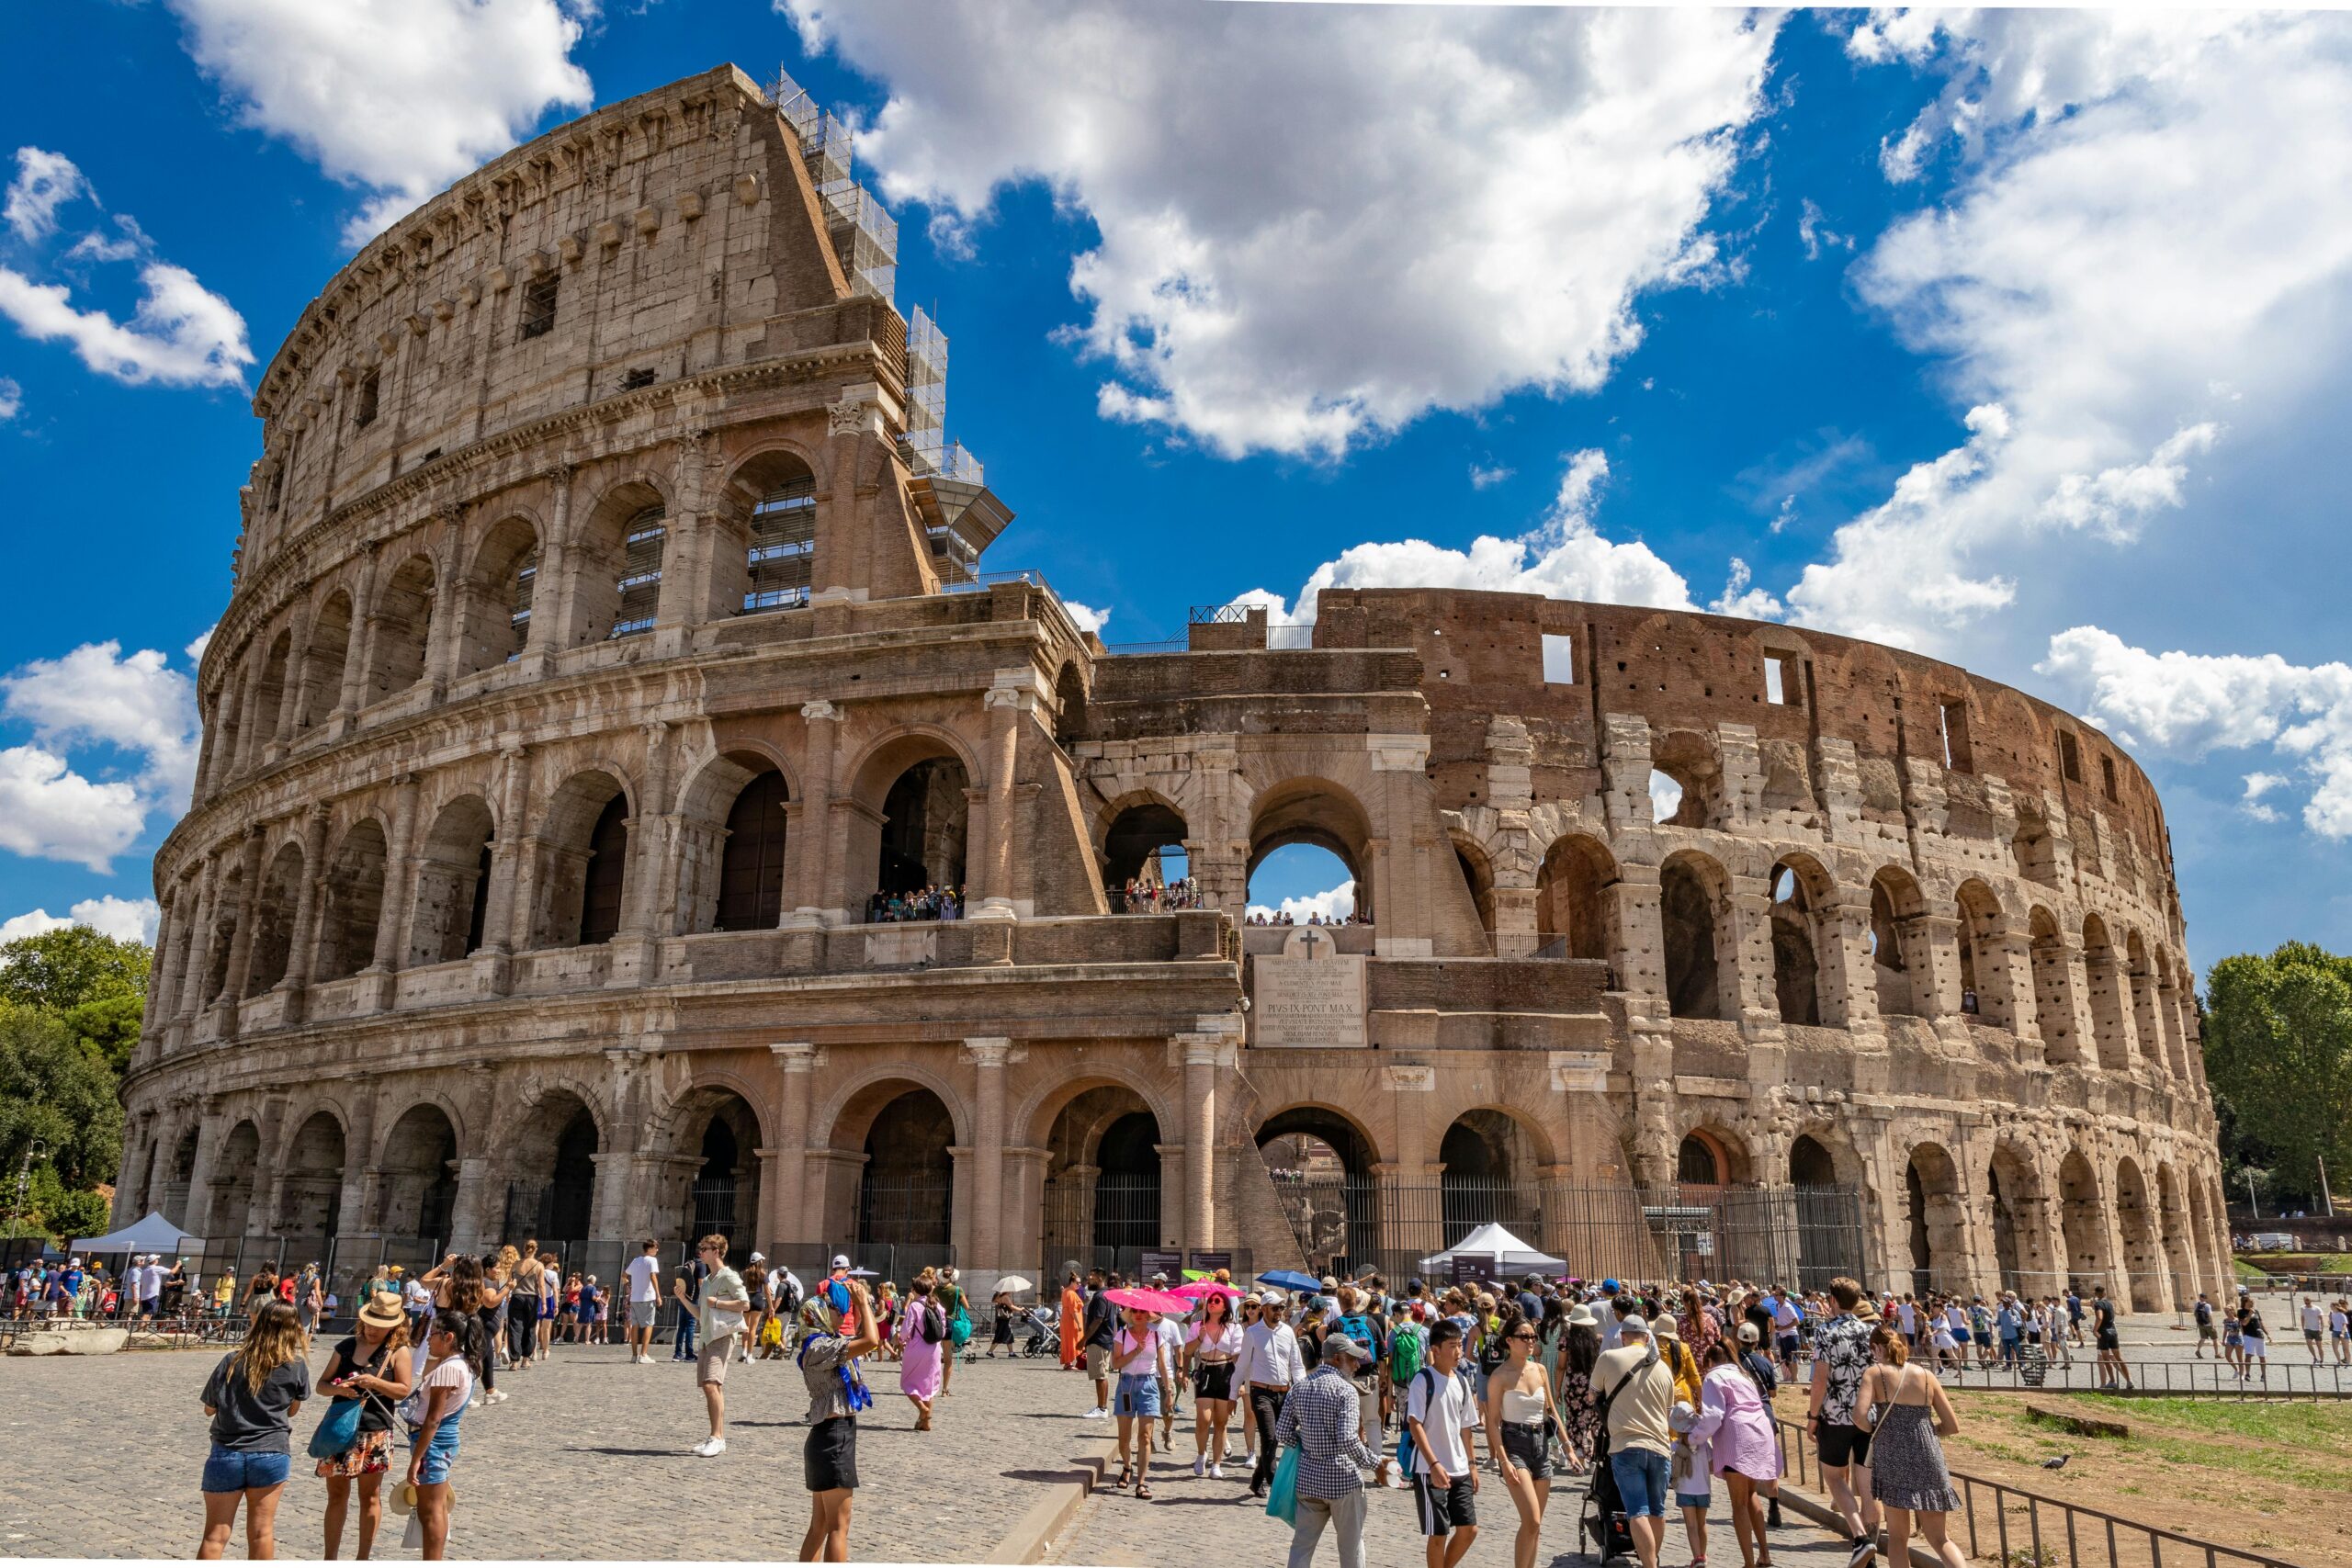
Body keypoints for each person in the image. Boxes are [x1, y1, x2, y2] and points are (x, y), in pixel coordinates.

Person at [198, 1300, 311, 1561]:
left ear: (259, 1323)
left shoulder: (232, 1360)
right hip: (272, 1453)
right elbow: (292, 1410)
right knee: (262, 1532)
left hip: (227, 1452)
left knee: (215, 1535)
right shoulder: (296, 1366)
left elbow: (209, 1409)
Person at [1272, 1333, 1392, 1568]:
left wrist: (1308, 1443)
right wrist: (1375, 1462)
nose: (1358, 1365)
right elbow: (1348, 1439)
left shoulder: (1300, 1387)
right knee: (1351, 1546)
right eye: (1353, 1359)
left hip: (1308, 1480)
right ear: (1337, 1359)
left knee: (1301, 1547)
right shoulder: (1345, 1391)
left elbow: (1283, 1433)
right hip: (1342, 1481)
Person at [1853, 1325, 1967, 1568]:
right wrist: (1926, 1432)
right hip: (1928, 1454)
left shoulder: (1875, 1373)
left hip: (1892, 1456)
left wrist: (1879, 1432)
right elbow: (1951, 1425)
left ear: (1875, 1347)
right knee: (1940, 1538)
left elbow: (1859, 1416)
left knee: (1898, 1537)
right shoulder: (1927, 1375)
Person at [313, 1291, 415, 1560]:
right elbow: (321, 1386)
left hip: (376, 1431)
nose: (372, 1330)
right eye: (370, 1323)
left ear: (393, 1326)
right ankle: (330, 1558)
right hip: (340, 1428)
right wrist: (341, 1389)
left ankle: (363, 1558)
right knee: (336, 1496)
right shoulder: (345, 1347)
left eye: (380, 1326)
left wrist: (375, 1383)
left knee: (369, 1496)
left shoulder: (398, 1351)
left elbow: (403, 1390)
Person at [798, 1277, 882, 1563]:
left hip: (826, 1438)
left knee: (820, 1526)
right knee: (838, 1528)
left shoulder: (821, 1345)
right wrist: (861, 1303)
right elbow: (872, 1340)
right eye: (836, 1311)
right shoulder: (820, 1348)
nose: (841, 1316)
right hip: (835, 1438)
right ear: (821, 1313)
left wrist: (865, 1306)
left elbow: (862, 1334)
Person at [1807, 1277, 1883, 1568]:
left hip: (1835, 1417)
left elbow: (1820, 1380)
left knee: (1836, 1479)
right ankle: (1871, 1554)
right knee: (1868, 1489)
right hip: (1867, 1417)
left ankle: (1861, 1540)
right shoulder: (1870, 1332)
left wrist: (1813, 1417)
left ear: (1834, 1301)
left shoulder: (1825, 1332)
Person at [1593, 1307, 1675, 1568]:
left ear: (1623, 1336)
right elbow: (1669, 1412)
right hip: (1660, 1446)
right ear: (1648, 1338)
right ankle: (1652, 1560)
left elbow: (1592, 1394)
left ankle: (1650, 1565)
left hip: (1626, 1444)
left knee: (1637, 1511)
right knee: (1657, 1511)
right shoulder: (1663, 1369)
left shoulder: (1608, 1357)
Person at [1691, 1338, 1783, 1568]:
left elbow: (1713, 1415)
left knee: (1739, 1503)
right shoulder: (1743, 1375)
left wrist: (1695, 1438)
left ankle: (1749, 1563)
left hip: (1737, 1434)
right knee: (1751, 1494)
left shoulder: (1714, 1376)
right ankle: (1764, 1554)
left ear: (1710, 1360)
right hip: (1759, 1430)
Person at [1405, 1320, 1483, 1568]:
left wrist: (1472, 1465)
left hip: (1459, 1467)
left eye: (1460, 1345)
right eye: (1453, 1346)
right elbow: (1415, 1425)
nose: (1459, 1352)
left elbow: (1466, 1427)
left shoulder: (1461, 1381)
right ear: (1436, 1350)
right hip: (1429, 1470)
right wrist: (1434, 1464)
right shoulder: (1423, 1380)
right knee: (1439, 1534)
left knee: (1469, 1529)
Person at [402, 1312, 479, 1561]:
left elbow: (433, 1420)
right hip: (443, 1441)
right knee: (436, 1507)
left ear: (448, 1337)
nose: (428, 1340)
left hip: (433, 1443)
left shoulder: (449, 1369)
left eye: (432, 1334)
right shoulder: (462, 1363)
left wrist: (416, 1459)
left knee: (431, 1510)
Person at [1483, 1308, 1555, 1568]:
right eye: (1524, 1337)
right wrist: (1503, 1460)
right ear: (1509, 1341)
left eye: (1533, 1336)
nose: (1530, 1341)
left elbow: (1552, 1411)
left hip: (1541, 1445)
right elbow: (1492, 1422)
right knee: (1532, 1519)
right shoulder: (1499, 1376)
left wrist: (1567, 1446)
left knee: (1535, 1526)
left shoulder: (1540, 1370)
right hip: (1515, 1443)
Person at [1237, 1289, 1307, 1499]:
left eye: (1281, 1308)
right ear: (1264, 1309)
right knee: (1269, 1436)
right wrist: (1233, 1394)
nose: (1279, 1311)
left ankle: (1256, 1481)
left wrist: (1301, 1390)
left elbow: (1296, 1365)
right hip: (1260, 1392)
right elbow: (1241, 1366)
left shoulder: (1287, 1332)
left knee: (1275, 1441)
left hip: (1284, 1393)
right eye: (1275, 1308)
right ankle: (1277, 1485)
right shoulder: (1252, 1333)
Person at [686, 1234, 748, 1456]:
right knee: (711, 1386)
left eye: (705, 1248)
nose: (701, 1251)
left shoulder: (729, 1277)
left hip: (722, 1335)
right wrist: (683, 1298)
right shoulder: (708, 1281)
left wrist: (719, 1302)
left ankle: (717, 1437)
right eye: (700, 1248)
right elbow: (701, 1313)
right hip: (706, 1336)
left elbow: (745, 1304)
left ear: (717, 1251)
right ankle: (717, 1436)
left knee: (712, 1384)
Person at [1109, 1304, 1168, 1496]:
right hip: (1126, 1385)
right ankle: (1127, 1467)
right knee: (1124, 1438)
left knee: (1145, 1436)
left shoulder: (1156, 1336)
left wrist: (1169, 1390)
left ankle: (1141, 1483)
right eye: (1135, 1311)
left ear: (1148, 1314)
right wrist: (1136, 1351)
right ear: (1130, 1315)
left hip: (1149, 1385)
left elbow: (1162, 1365)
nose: (1139, 1314)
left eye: (1143, 1311)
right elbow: (1115, 1363)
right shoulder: (1122, 1335)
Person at [1187, 1287, 1242, 1475]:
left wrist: (1240, 1382)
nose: (1212, 1303)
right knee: (1203, 1419)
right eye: (1210, 1300)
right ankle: (1202, 1454)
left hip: (1226, 1371)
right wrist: (1199, 1338)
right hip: (1205, 1372)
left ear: (1225, 1306)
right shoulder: (1197, 1326)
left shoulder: (1234, 1327)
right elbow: (1187, 1351)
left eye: (1216, 1301)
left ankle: (1216, 1465)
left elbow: (1237, 1356)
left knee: (1221, 1422)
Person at [896, 1272, 946, 1433]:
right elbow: (943, 1331)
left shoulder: (915, 1306)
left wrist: (900, 1339)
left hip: (916, 1348)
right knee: (929, 1386)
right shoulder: (938, 1306)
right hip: (934, 1349)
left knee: (908, 1383)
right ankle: (926, 1423)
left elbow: (906, 1330)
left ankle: (923, 1410)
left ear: (916, 1290)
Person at [1080, 1269, 1117, 1416]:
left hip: (1099, 1339)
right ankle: (1102, 1407)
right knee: (1102, 1374)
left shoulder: (1101, 1297)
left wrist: (1084, 1339)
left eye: (1091, 1277)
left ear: (1099, 1278)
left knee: (1100, 1375)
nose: (1088, 1280)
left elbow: (1098, 1319)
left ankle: (1102, 1408)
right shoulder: (1106, 1295)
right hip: (1104, 1339)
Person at [621, 1237, 662, 1363]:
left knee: (635, 1325)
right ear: (650, 1248)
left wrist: (628, 1284)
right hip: (647, 1297)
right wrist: (658, 1295)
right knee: (649, 1324)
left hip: (635, 1298)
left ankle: (634, 1355)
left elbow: (624, 1275)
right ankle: (644, 1355)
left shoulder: (636, 1260)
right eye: (656, 1248)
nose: (657, 1250)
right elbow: (652, 1276)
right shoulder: (652, 1260)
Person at [2092, 1285, 2130, 1390]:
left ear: (2096, 1294)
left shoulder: (2098, 1304)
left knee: (2106, 1359)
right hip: (2113, 1331)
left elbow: (2099, 1317)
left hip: (2104, 1333)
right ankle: (2129, 1380)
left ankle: (2112, 1381)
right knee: (2119, 1358)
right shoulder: (2110, 1304)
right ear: (2105, 1293)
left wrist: (2095, 1330)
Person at [1058, 1269, 1084, 1372]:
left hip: (1067, 1319)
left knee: (1068, 1340)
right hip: (1071, 1320)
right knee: (1071, 1340)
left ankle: (1068, 1362)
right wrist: (1078, 1324)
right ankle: (1069, 1363)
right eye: (1077, 1283)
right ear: (1072, 1282)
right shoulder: (1071, 1293)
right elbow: (1073, 1310)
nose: (1079, 1284)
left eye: (1080, 1283)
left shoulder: (1066, 1291)